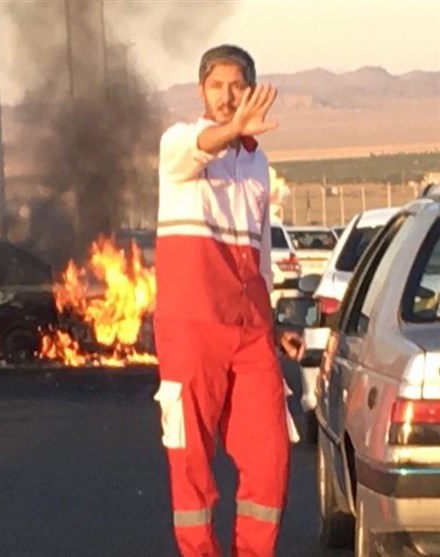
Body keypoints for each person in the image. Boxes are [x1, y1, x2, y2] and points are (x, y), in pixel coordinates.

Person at [153, 45, 305, 557]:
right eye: (217, 86)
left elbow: (258, 255)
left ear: (251, 88)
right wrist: (230, 127)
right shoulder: (179, 145)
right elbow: (201, 144)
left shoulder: (258, 164)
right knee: (191, 460)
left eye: (237, 86)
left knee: (270, 456)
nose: (227, 96)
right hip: (192, 327)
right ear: (201, 91)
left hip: (250, 330)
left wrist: (276, 319)